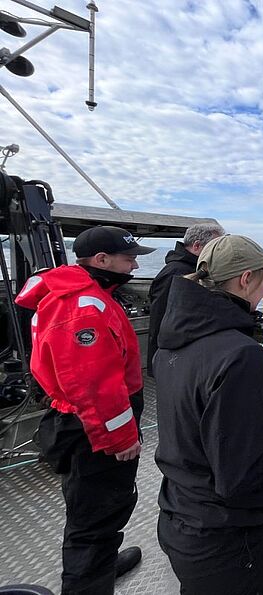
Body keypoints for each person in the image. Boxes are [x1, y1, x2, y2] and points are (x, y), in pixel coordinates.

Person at [153, 234, 263, 595]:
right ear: (246, 279)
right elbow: (242, 475)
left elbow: (201, 398)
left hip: (179, 513)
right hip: (227, 540)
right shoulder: (243, 354)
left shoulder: (174, 335)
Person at [14, 225, 155, 594]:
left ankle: (104, 563)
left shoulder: (81, 295)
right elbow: (93, 385)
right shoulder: (83, 308)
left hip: (83, 423)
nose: (134, 268)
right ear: (102, 260)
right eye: (129, 260)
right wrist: (122, 437)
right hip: (95, 431)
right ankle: (88, 580)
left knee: (98, 507)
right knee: (93, 518)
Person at [146, 222, 224, 377]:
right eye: (216, 248)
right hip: (173, 360)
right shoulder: (176, 272)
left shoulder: (196, 270)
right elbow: (160, 321)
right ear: (196, 246)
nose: (220, 253)